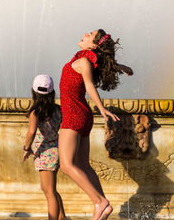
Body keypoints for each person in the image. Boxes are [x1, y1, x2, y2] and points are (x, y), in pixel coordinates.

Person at [59, 29, 133, 220]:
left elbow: (90, 85)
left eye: (89, 34)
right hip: (82, 115)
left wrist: (101, 108)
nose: (84, 33)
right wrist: (120, 67)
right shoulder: (88, 61)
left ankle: (100, 202)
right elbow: (102, 64)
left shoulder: (83, 62)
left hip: (74, 115)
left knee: (66, 165)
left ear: (93, 45)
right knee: (83, 164)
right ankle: (100, 207)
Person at [22, 74, 66, 220]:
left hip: (45, 153)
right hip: (56, 149)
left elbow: (31, 132)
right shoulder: (58, 110)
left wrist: (26, 148)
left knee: (49, 192)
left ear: (33, 92)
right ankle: (62, 217)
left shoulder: (36, 113)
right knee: (49, 189)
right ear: (52, 93)